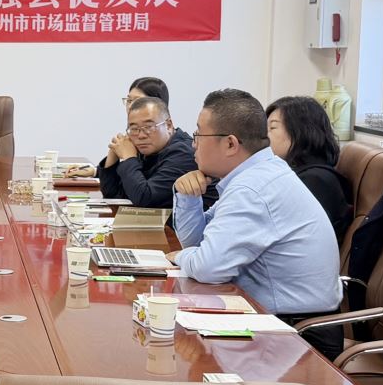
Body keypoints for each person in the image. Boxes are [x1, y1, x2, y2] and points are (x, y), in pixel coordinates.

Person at [173, 88, 344, 357]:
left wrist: (180, 257)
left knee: (173, 346)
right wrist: (188, 196)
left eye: (199, 134)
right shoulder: (257, 175)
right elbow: (197, 242)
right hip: (277, 322)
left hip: (297, 336)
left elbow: (207, 268)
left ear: (230, 144)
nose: (193, 144)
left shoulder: (253, 188)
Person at [266, 95, 352, 243]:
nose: (264, 136)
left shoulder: (315, 181)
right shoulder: (298, 172)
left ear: (300, 131)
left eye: (272, 128)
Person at [96, 95, 196, 209]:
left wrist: (129, 158)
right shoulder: (148, 150)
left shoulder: (183, 154)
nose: (141, 135)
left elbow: (145, 199)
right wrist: (114, 152)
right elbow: (112, 195)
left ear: (168, 125)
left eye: (148, 127)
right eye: (134, 128)